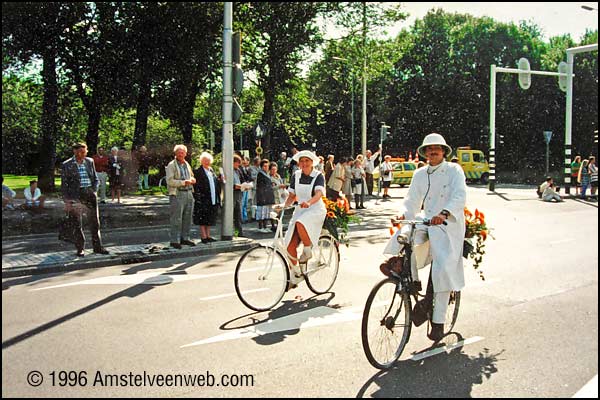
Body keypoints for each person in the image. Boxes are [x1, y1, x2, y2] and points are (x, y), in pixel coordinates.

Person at [386, 133, 467, 342]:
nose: (433, 151)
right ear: (424, 152)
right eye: (429, 148)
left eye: (437, 148)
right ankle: (405, 273)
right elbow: (412, 200)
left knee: (441, 272)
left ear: (444, 151)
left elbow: (460, 196)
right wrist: (403, 215)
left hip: (447, 224)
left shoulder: (454, 171)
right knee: (407, 235)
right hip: (427, 219)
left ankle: (438, 323)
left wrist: (445, 214)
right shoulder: (420, 174)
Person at [282, 150, 327, 288]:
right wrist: (283, 206)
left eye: (307, 161)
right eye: (301, 161)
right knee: (288, 245)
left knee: (301, 223)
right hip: (300, 210)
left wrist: (309, 202)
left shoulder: (318, 176)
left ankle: (307, 251)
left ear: (312, 162)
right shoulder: (295, 175)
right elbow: (291, 196)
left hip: (315, 209)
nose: (304, 163)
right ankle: (295, 274)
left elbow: (319, 193)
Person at [61, 142, 109, 257]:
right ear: (75, 152)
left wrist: (94, 190)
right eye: (81, 152)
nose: (84, 154)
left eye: (85, 151)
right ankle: (80, 248)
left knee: (94, 222)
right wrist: (67, 200)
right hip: (75, 195)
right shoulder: (67, 164)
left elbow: (95, 178)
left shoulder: (89, 161)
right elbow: (64, 184)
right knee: (77, 222)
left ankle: (97, 247)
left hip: (89, 193)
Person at [166, 144, 196, 249]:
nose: (180, 154)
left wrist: (192, 179)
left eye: (182, 152)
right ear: (175, 153)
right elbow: (170, 181)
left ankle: (185, 238)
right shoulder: (171, 165)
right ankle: (174, 240)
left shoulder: (187, 164)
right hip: (177, 193)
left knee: (188, 217)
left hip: (188, 192)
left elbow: (191, 175)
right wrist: (183, 182)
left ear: (186, 154)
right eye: (178, 152)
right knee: (176, 218)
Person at [193, 152, 220, 244]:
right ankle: (203, 236)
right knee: (202, 217)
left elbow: (215, 183)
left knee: (209, 217)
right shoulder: (198, 171)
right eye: (204, 161)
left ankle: (208, 235)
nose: (206, 162)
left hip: (212, 197)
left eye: (208, 160)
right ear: (201, 161)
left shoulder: (211, 171)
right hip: (203, 198)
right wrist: (198, 197)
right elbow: (196, 186)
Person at [256, 159, 276, 233]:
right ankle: (261, 227)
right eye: (264, 166)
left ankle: (265, 226)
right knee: (262, 212)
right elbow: (260, 187)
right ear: (261, 167)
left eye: (267, 166)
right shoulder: (260, 174)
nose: (266, 168)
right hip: (262, 196)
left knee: (267, 212)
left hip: (268, 196)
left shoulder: (267, 174)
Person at [233, 155, 245, 237]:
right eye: (237, 163)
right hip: (232, 193)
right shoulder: (228, 170)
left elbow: (243, 180)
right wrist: (235, 186)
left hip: (239, 193)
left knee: (238, 215)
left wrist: (245, 186)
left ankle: (238, 234)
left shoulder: (238, 171)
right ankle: (233, 233)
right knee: (232, 215)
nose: (238, 165)